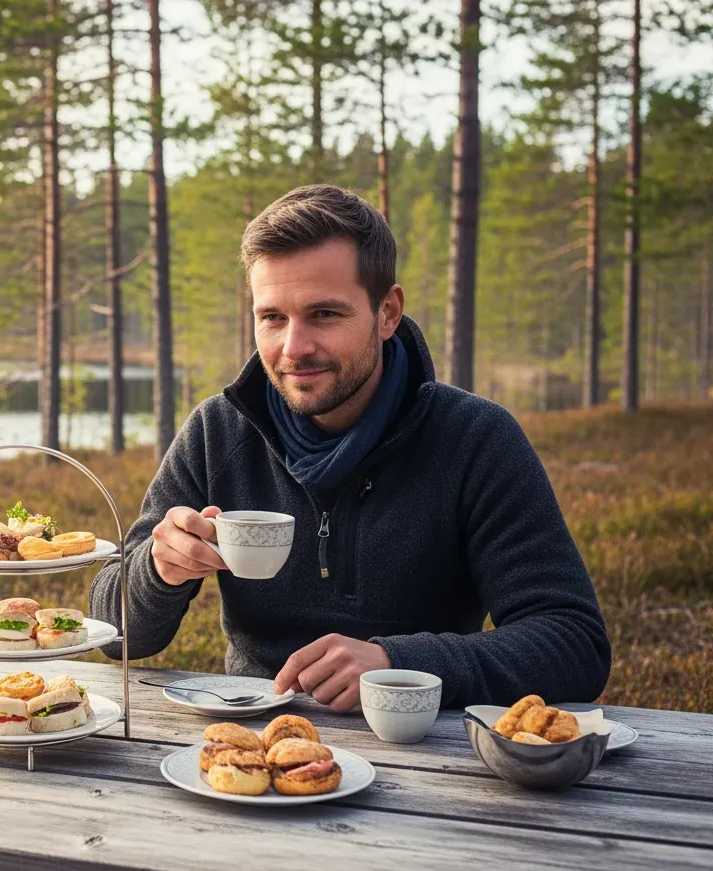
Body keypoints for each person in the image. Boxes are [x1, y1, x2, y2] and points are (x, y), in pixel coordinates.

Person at [89, 184, 611, 711]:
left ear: (388, 313)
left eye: (325, 315)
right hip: (253, 749)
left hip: (428, 756)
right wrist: (158, 570)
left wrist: (398, 664)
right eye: (272, 317)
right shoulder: (217, 433)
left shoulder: (476, 439)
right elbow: (113, 631)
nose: (294, 348)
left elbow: (574, 644)